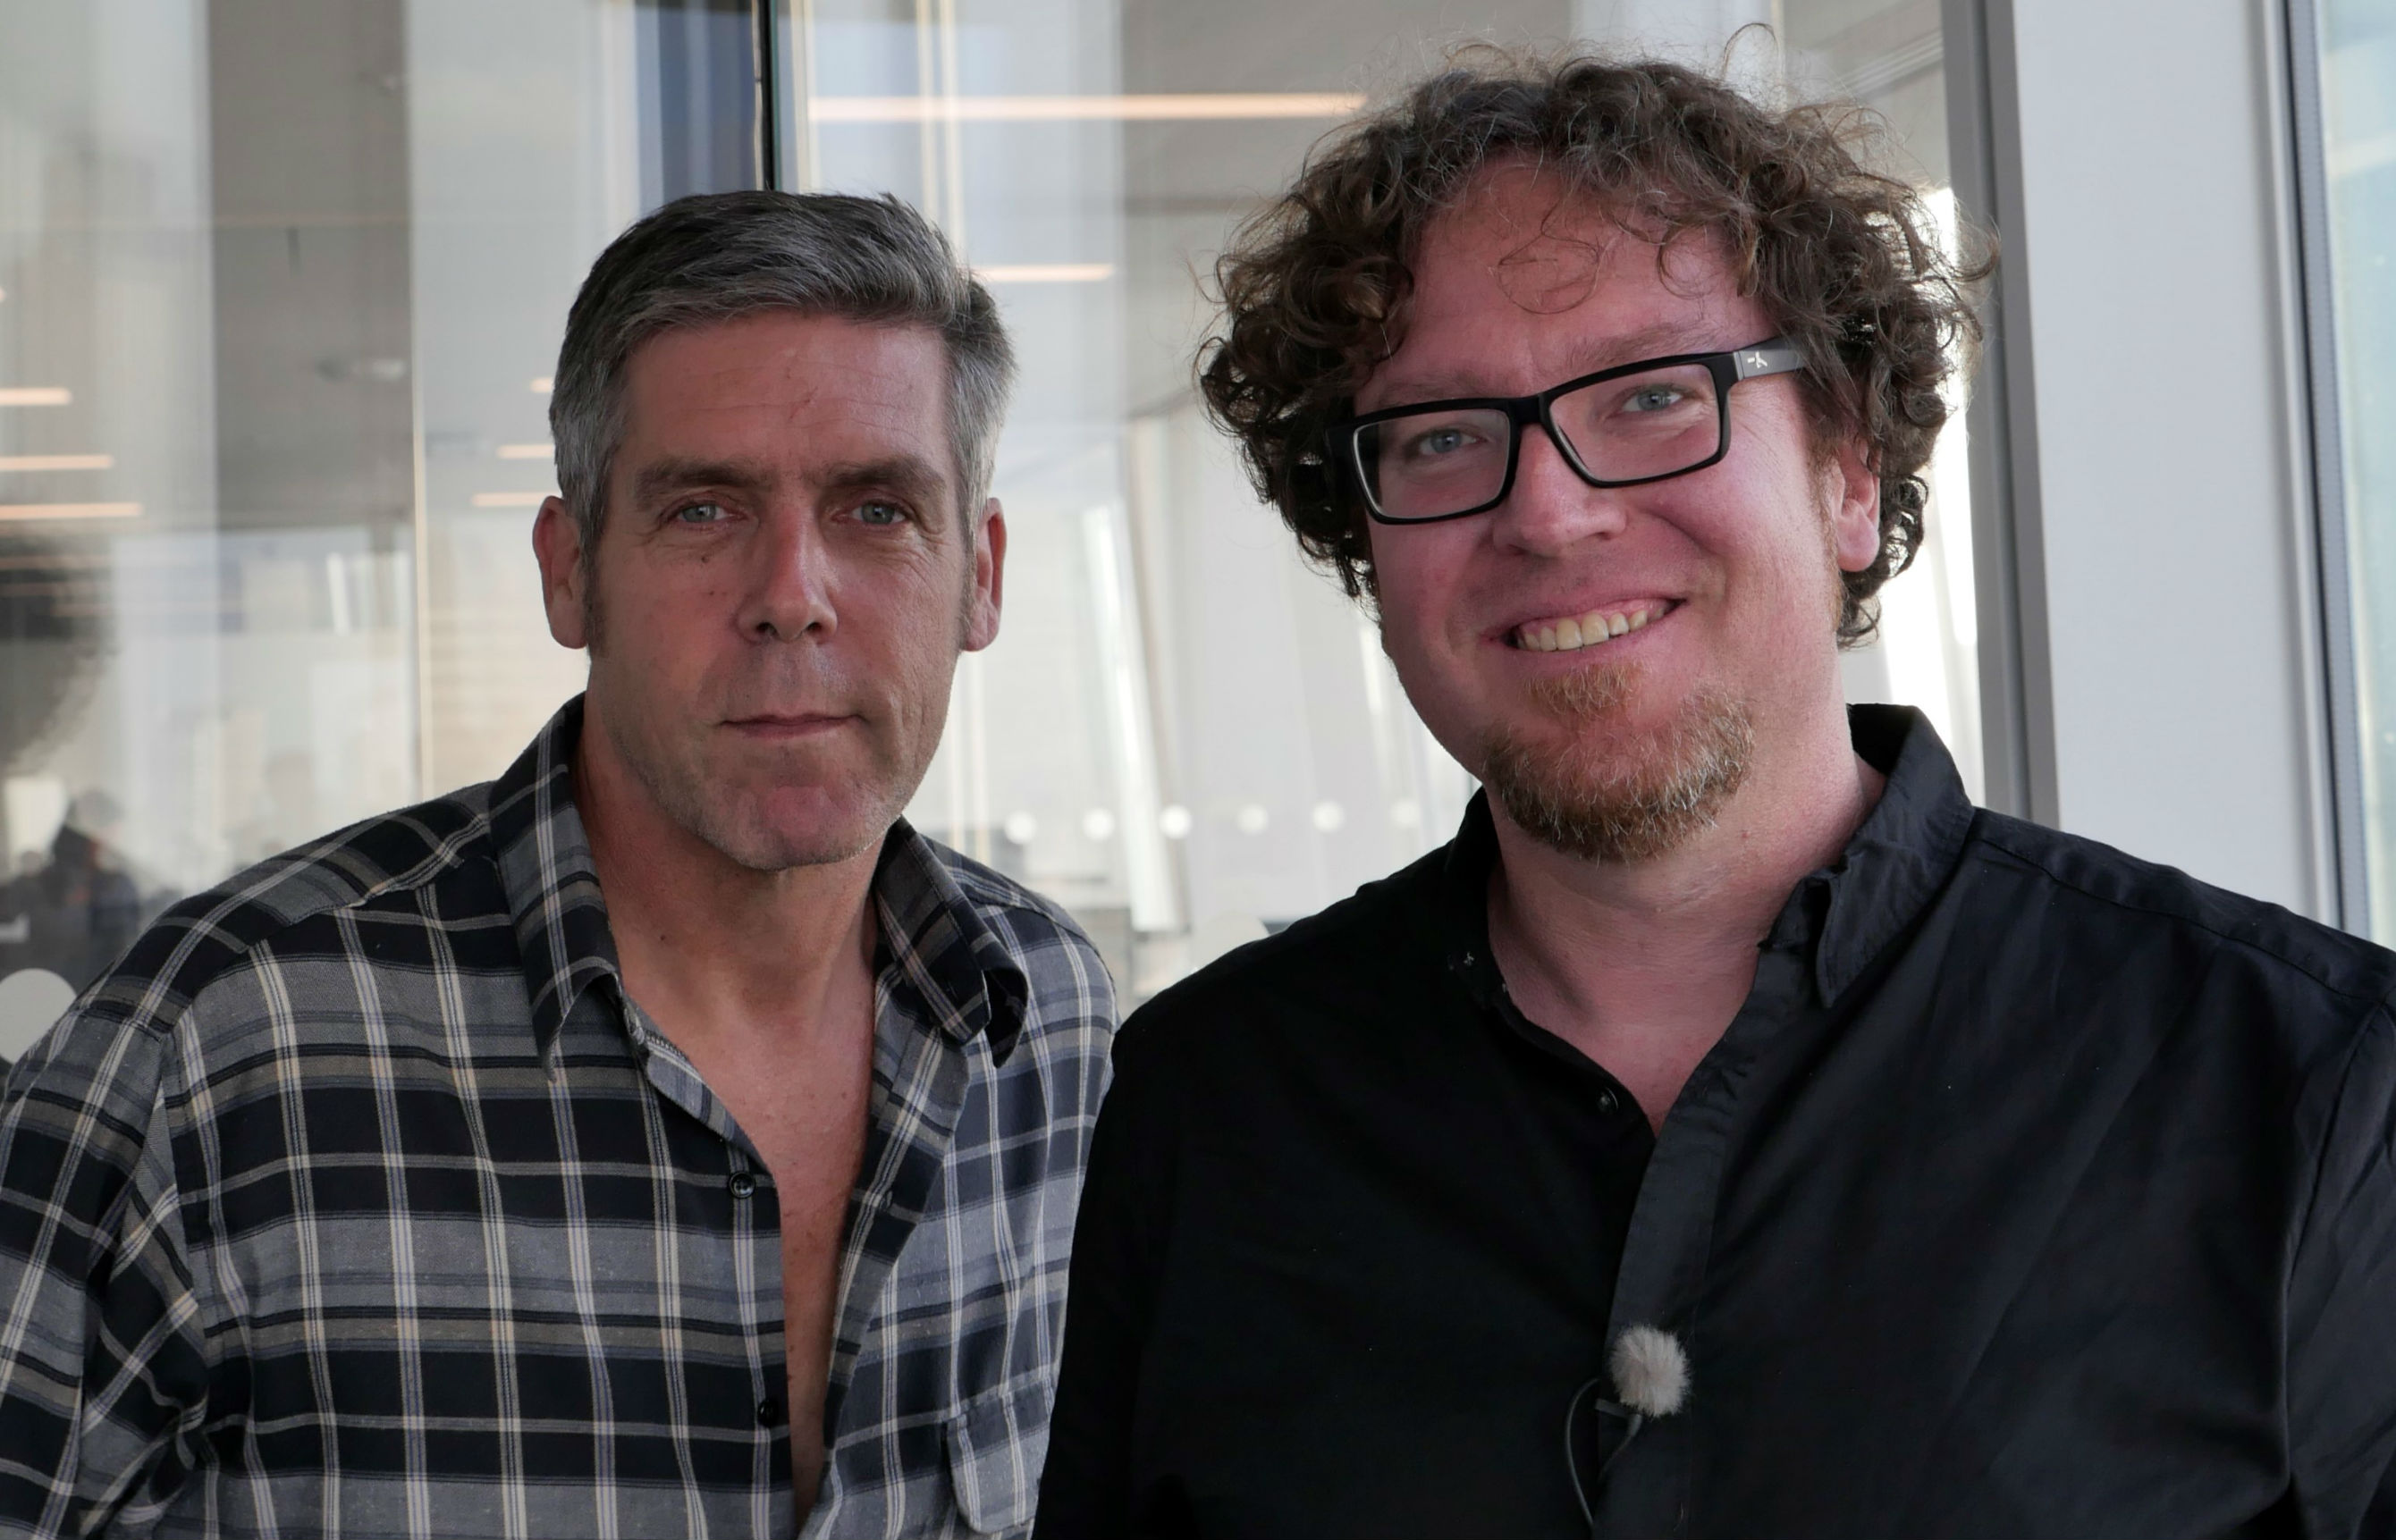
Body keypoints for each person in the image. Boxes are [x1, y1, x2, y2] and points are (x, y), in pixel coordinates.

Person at [1033, 53, 2396, 1540]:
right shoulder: (1208, 1109)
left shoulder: (2313, 1095)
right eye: (1439, 437)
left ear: (1851, 473)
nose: (1547, 510)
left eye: (1651, 397)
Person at [0, 190, 1113, 1539]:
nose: (792, 592)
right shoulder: (221, 1049)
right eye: (703, 510)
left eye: (878, 510)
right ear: (569, 571)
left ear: (979, 576)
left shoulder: (1048, 1030)